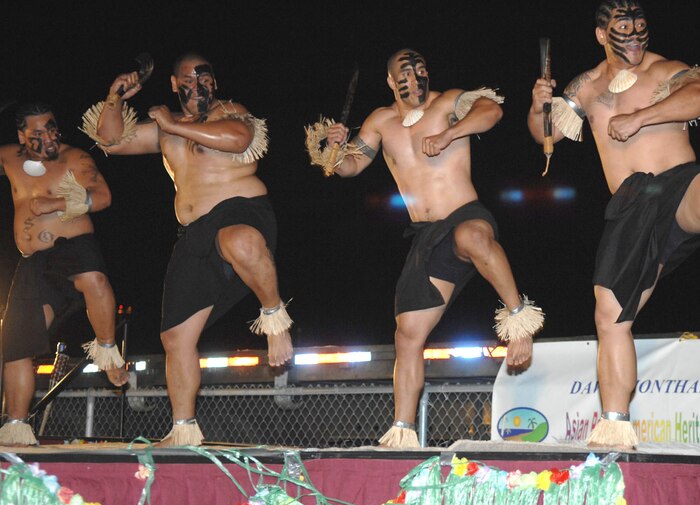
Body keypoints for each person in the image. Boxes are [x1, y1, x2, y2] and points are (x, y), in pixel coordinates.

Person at [528, 0, 700, 449]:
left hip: (680, 188)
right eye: (622, 31)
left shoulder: (666, 70)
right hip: (632, 206)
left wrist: (641, 116)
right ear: (602, 35)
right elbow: (545, 133)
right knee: (610, 317)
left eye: (640, 29)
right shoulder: (585, 86)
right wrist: (538, 106)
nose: (634, 39)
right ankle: (615, 423)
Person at [308, 49, 544, 448]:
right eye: (405, 73)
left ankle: (519, 321)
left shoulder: (448, 102)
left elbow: (491, 110)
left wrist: (451, 132)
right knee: (408, 335)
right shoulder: (381, 121)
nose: (414, 79)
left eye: (420, 71)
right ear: (389, 81)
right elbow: (347, 167)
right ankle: (402, 430)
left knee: (473, 237)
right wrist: (330, 146)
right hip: (425, 234)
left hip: (464, 214)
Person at [82, 52, 293, 446]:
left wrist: (171, 123)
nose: (198, 84)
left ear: (215, 81)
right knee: (176, 339)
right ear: (174, 85)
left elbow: (240, 139)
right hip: (193, 233)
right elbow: (110, 140)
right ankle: (183, 430)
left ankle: (275, 317)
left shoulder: (231, 111)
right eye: (188, 79)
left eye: (205, 77)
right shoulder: (165, 130)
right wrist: (116, 96)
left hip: (241, 210)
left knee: (237, 239)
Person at [0, 102, 127, 446]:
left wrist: (56, 204)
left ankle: (107, 349)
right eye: (37, 133)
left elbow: (102, 197)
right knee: (16, 345)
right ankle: (15, 426)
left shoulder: (75, 159)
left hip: (72, 246)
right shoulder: (9, 157)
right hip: (34, 264)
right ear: (21, 136)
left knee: (93, 279)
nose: (48, 137)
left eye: (52, 128)